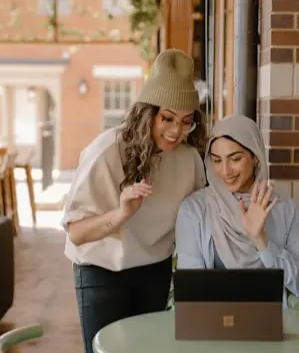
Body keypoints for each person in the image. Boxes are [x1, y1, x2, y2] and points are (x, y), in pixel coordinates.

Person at [61, 49, 207, 353]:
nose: (176, 131)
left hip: (155, 270)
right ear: (147, 112)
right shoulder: (106, 152)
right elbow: (76, 232)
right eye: (167, 118)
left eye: (186, 121)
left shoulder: (189, 159)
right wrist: (122, 213)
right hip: (101, 271)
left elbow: (198, 220)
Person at [175, 114, 299, 300]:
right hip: (211, 323)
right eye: (217, 161)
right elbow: (190, 291)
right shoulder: (194, 210)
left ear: (255, 157)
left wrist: (261, 241)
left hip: (270, 324)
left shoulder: (284, 209)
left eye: (235, 159)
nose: (225, 171)